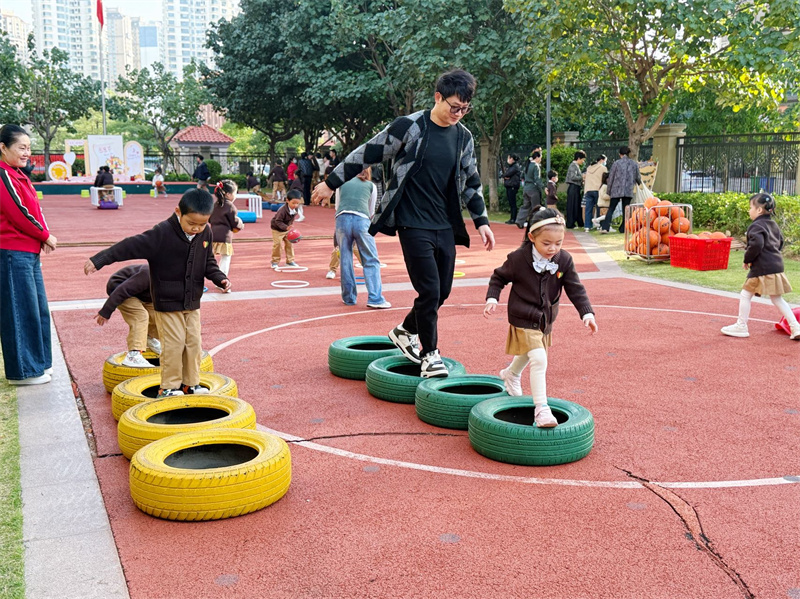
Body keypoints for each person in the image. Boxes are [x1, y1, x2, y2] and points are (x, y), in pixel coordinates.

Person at [312, 68, 495, 378]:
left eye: (465, 109)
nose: (459, 114)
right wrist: (331, 183)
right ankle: (430, 354)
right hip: (412, 221)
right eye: (454, 107)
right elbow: (367, 153)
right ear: (438, 97)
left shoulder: (463, 137)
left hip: (444, 223)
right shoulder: (409, 127)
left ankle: (405, 330)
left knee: (442, 291)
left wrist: (482, 221)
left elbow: (471, 181)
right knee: (430, 290)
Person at [84, 189, 230, 397]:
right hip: (167, 302)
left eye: (202, 224)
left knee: (193, 343)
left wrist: (220, 278)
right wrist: (99, 260)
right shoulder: (162, 233)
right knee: (174, 344)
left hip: (191, 301)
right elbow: (129, 246)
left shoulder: (205, 232)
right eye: (192, 223)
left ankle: (190, 384)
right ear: (178, 212)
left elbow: (208, 262)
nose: (196, 229)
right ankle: (169, 386)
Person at [484, 208, 597, 427]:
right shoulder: (518, 259)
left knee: (530, 352)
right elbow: (498, 277)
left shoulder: (564, 260)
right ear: (532, 237)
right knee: (539, 358)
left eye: (558, 243)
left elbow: (575, 288)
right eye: (546, 243)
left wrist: (587, 313)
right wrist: (492, 298)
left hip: (545, 319)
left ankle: (511, 374)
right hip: (522, 315)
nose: (552, 249)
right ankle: (542, 409)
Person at [0, 124, 57, 385]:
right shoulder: (4, 175)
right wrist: (44, 235)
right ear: (3, 148)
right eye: (21, 148)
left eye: (28, 148)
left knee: (37, 310)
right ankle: (23, 371)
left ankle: (40, 364)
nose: (27, 153)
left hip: (27, 251)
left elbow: (34, 208)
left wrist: (43, 235)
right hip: (12, 252)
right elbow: (18, 212)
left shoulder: (18, 174)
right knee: (19, 311)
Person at [721, 193, 800, 340]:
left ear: (758, 210)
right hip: (776, 265)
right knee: (777, 298)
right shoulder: (773, 225)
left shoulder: (756, 226)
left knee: (745, 294)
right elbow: (780, 242)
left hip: (761, 267)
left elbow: (756, 244)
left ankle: (741, 326)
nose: (749, 210)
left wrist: (747, 259)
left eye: (750, 207)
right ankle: (795, 327)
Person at [334, 167, 390, 308]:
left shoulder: (341, 183)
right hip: (362, 219)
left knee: (345, 259)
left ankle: (348, 297)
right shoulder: (371, 185)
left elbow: (337, 206)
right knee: (370, 259)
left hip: (342, 219)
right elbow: (371, 211)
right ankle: (375, 298)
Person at [96, 265, 162, 367]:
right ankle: (133, 355)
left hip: (144, 294)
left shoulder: (177, 281)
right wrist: (106, 311)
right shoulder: (148, 274)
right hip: (119, 287)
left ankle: (148, 337)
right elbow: (122, 290)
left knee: (158, 315)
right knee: (140, 316)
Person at [210, 179, 242, 290]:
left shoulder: (215, 205)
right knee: (225, 258)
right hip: (224, 236)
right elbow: (234, 222)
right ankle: (221, 280)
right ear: (228, 194)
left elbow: (209, 219)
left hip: (212, 234)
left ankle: (210, 277)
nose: (235, 196)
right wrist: (240, 224)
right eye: (235, 193)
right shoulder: (230, 206)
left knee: (210, 258)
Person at [601, 146, 641, 234]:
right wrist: (638, 183)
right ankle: (623, 228)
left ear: (620, 154)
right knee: (626, 210)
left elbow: (611, 178)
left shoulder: (616, 163)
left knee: (611, 208)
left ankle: (605, 228)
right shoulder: (634, 164)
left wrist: (609, 190)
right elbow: (638, 177)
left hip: (616, 189)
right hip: (628, 189)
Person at [270, 189, 302, 269]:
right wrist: (286, 227)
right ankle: (275, 261)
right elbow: (278, 221)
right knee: (278, 245)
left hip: (286, 229)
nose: (295, 205)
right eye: (293, 203)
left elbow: (291, 218)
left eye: (297, 203)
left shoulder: (295, 209)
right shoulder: (282, 210)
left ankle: (290, 261)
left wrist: (290, 226)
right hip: (277, 229)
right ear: (287, 200)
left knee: (290, 244)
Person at [516, 150, 545, 229]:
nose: (540, 160)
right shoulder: (536, 166)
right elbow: (537, 179)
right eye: (540, 158)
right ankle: (535, 222)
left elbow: (522, 176)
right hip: (533, 189)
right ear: (537, 157)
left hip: (526, 188)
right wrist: (543, 187)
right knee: (535, 207)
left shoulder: (527, 165)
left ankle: (519, 220)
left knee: (525, 206)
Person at [583, 155, 607, 231]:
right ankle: (599, 225)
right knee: (599, 208)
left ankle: (587, 226)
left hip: (588, 190)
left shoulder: (589, 168)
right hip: (597, 189)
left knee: (588, 209)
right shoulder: (603, 168)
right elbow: (606, 178)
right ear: (602, 160)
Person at [565, 150, 586, 229]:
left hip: (575, 188)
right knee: (572, 206)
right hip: (573, 188)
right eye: (583, 159)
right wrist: (582, 177)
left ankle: (578, 222)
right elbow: (573, 177)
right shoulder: (573, 165)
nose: (583, 161)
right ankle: (570, 223)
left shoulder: (575, 166)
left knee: (576, 206)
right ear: (579, 158)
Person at [502, 155, 521, 225]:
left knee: (513, 203)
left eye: (509, 158)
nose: (508, 160)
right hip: (509, 186)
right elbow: (505, 175)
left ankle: (513, 218)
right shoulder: (512, 167)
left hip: (512, 186)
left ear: (512, 159)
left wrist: (505, 176)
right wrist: (505, 176)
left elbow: (507, 174)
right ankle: (512, 218)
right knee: (511, 203)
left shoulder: (515, 167)